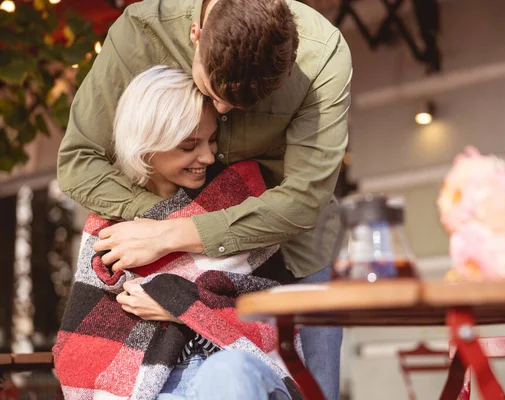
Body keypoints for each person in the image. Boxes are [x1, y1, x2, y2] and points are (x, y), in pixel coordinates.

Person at [57, 0, 351, 398]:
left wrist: (177, 230)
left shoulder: (324, 57)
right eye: (214, 93)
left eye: (248, 105)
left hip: (294, 253)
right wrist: (159, 224)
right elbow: (79, 161)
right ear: (196, 36)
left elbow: (302, 200)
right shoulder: (141, 33)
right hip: (154, 260)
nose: (225, 110)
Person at [55, 65, 297, 400]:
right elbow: (86, 342)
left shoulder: (236, 197)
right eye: (189, 146)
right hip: (155, 385)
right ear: (147, 146)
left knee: (227, 373)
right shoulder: (109, 225)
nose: (208, 156)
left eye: (212, 140)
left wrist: (179, 305)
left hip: (239, 374)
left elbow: (275, 312)